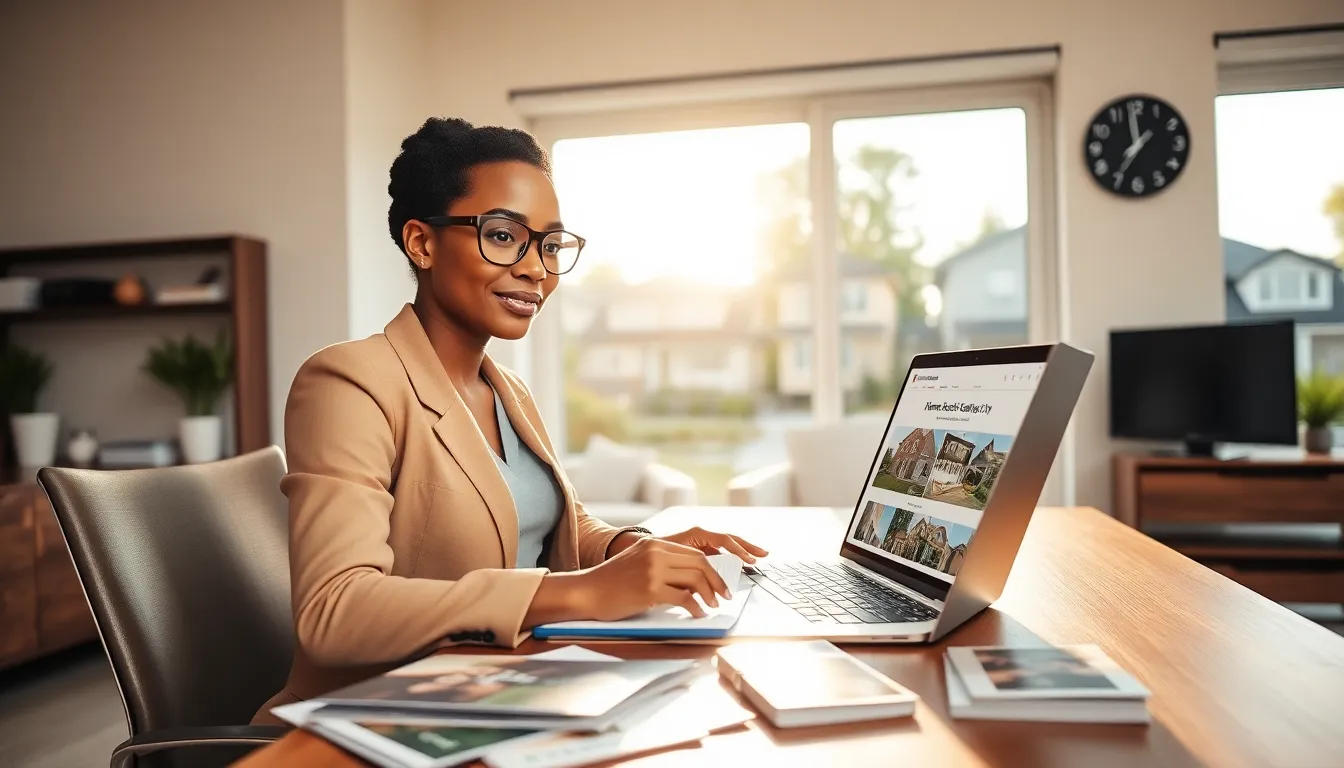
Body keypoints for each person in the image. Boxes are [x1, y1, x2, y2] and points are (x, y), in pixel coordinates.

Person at [254, 117, 766, 724]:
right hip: (376, 721)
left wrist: (637, 550)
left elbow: (547, 521)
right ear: (422, 243)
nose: (536, 269)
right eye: (503, 236)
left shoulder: (508, 390)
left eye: (549, 245)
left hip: (507, 689)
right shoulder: (348, 382)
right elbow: (334, 612)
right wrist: (580, 592)